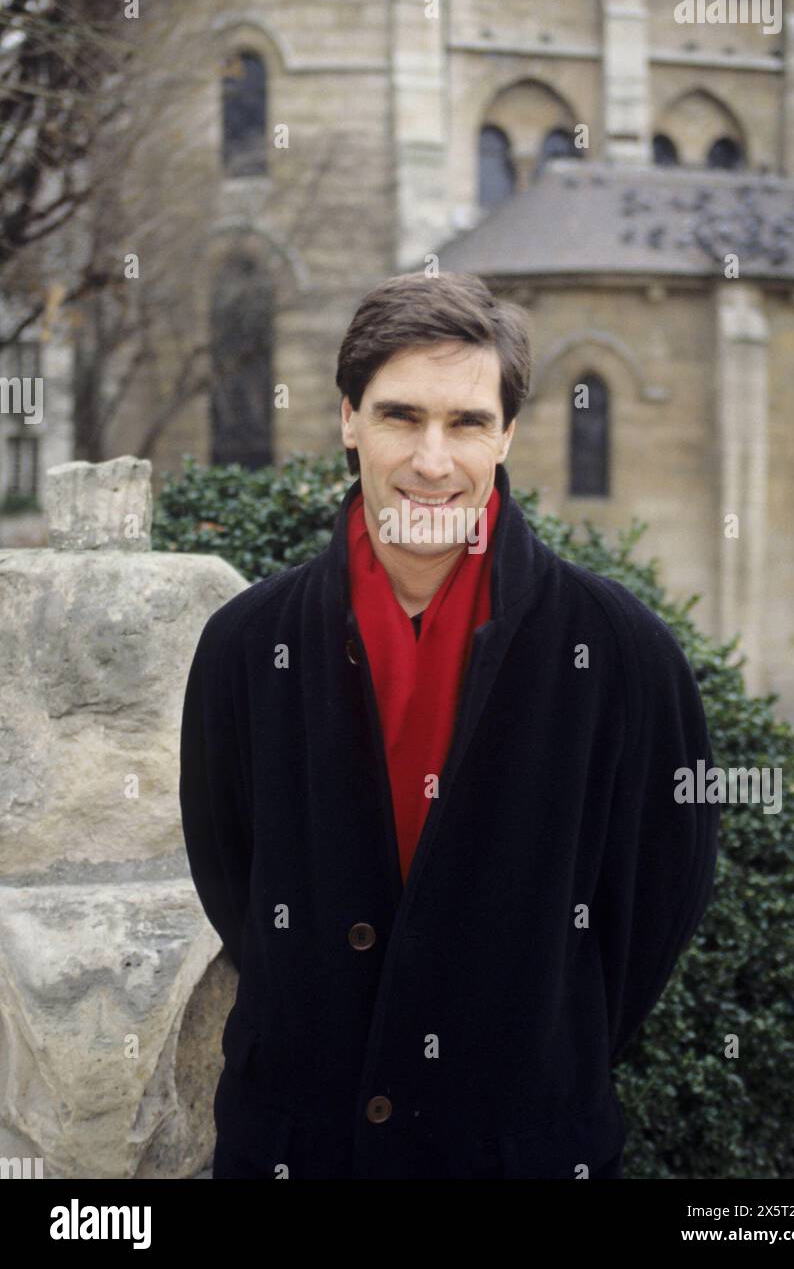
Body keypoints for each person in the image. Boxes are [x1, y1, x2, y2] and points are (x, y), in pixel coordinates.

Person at [179, 269, 720, 1179]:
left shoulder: (622, 653)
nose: (433, 460)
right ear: (348, 419)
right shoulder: (245, 644)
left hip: (519, 1147)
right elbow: (232, 878)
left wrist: (533, 1045)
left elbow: (656, 901)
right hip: (298, 1147)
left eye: (467, 422)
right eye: (400, 416)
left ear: (506, 434)